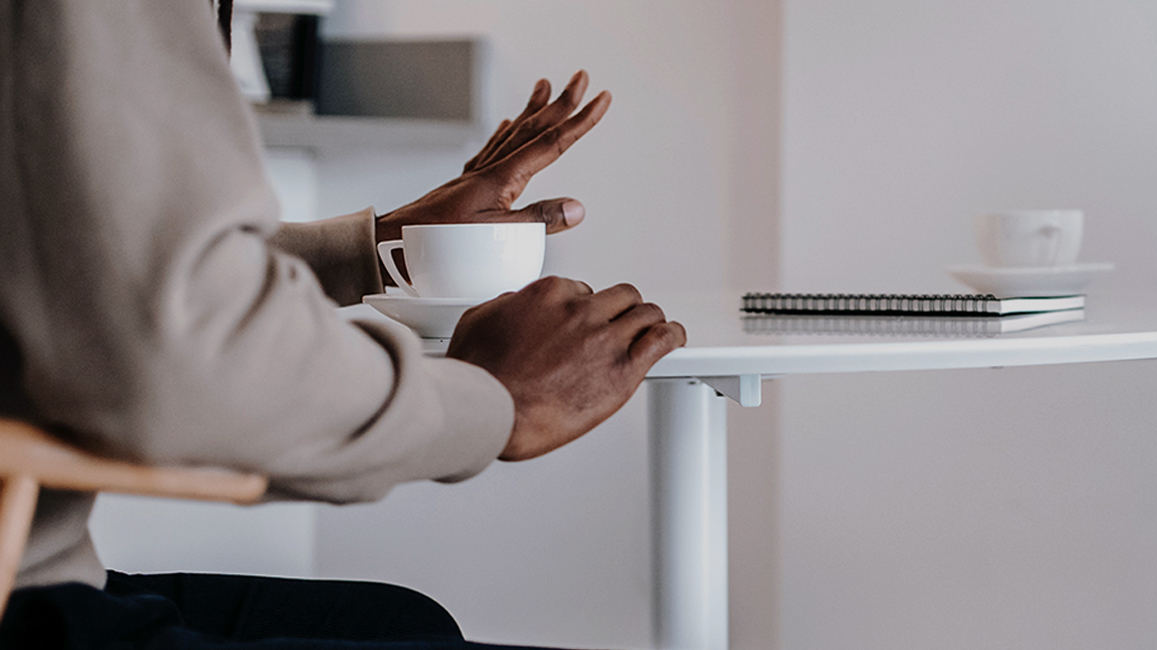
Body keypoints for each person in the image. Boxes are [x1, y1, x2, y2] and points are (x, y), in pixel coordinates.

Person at [0, 0, 685, 647]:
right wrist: (493, 405)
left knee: (409, 622)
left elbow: (97, 266)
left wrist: (378, 248)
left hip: (42, 563)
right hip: (22, 594)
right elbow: (176, 365)